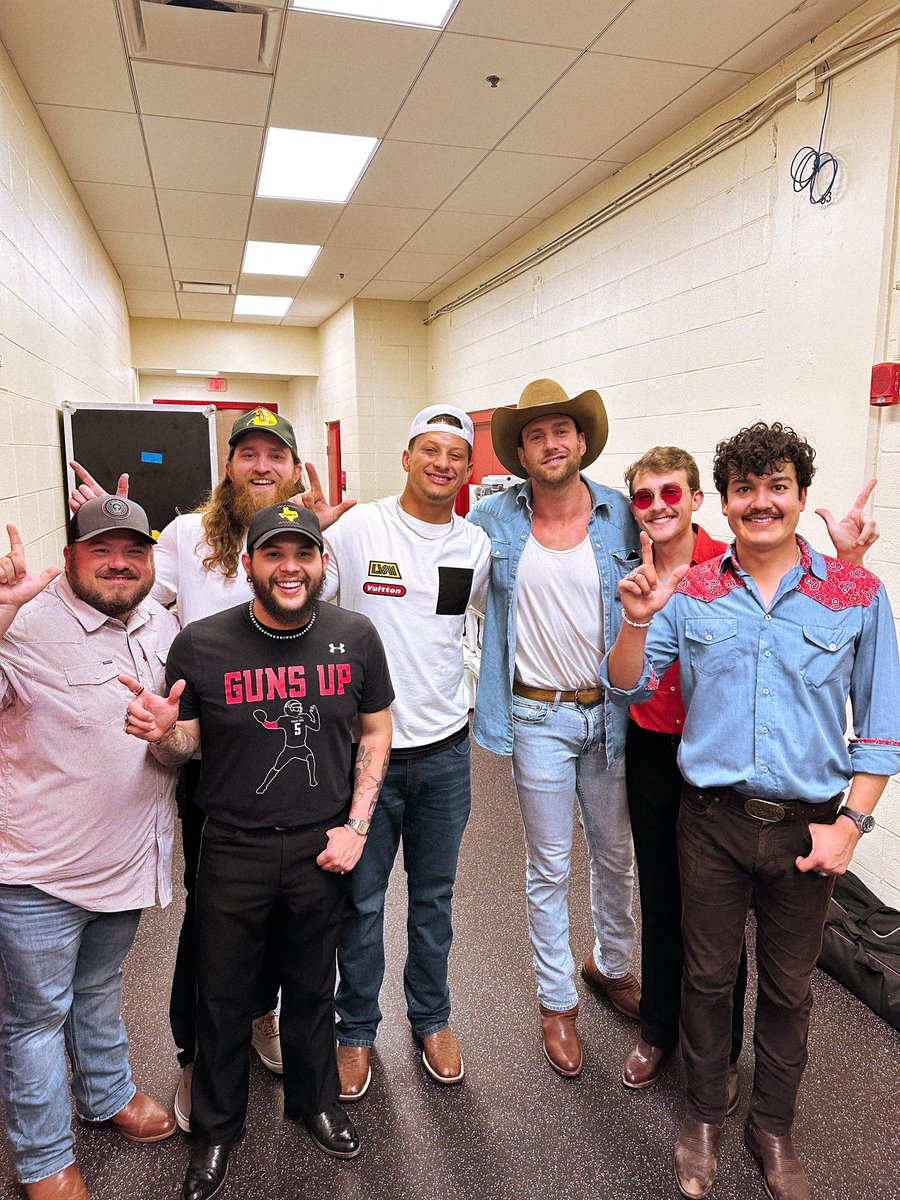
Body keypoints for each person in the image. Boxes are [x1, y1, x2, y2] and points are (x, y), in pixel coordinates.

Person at [603, 422, 900, 1200]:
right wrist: (635, 619)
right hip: (711, 819)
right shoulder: (692, 592)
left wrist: (852, 825)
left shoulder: (856, 595)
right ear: (725, 504)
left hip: (809, 825)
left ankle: (771, 1127)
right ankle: (703, 1113)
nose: (761, 502)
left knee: (790, 989)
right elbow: (627, 686)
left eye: (778, 487)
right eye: (745, 489)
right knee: (706, 978)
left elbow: (882, 728)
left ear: (802, 497)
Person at [69, 407, 351, 1119]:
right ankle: (198, 1054)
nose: (261, 465)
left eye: (275, 455)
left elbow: (328, 631)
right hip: (209, 760)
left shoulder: (311, 540)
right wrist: (103, 534)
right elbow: (130, 595)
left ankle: (262, 1017)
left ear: (293, 466)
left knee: (298, 910)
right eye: (248, 453)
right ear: (229, 465)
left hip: (294, 760)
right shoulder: (190, 535)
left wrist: (325, 536)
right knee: (215, 916)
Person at [122, 502, 393, 1200]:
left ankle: (314, 1103)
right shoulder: (204, 644)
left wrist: (357, 826)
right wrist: (162, 731)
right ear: (249, 566)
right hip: (233, 845)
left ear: (322, 563)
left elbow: (374, 731)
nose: (290, 567)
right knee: (223, 995)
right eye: (275, 554)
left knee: (311, 987)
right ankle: (217, 1130)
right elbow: (185, 747)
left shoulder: (355, 636)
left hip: (320, 846)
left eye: (304, 553)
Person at [0, 498, 179, 1200]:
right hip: (38, 871)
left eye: (133, 550)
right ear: (71, 555)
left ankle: (108, 1095)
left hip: (125, 862)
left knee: (99, 988)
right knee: (35, 1019)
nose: (118, 562)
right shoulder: (28, 624)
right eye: (101, 548)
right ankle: (44, 1158)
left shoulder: (160, 624)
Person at [468, 379, 641, 1079]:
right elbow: (431, 571)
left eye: (560, 431)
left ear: (580, 441)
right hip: (534, 713)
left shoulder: (621, 515)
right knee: (548, 866)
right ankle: (556, 1002)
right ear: (520, 450)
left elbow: (692, 559)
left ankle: (613, 964)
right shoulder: (490, 521)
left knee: (615, 855)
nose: (550, 444)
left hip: (611, 714)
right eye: (535, 435)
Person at [321, 405, 491, 1100]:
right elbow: (311, 608)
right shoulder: (361, 529)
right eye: (430, 449)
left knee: (435, 899)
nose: (442, 463)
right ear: (406, 456)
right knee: (360, 903)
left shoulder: (475, 545)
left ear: (467, 469)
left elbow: (462, 625)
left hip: (446, 754)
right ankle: (355, 1030)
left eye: (455, 453)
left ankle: (433, 1018)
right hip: (366, 755)